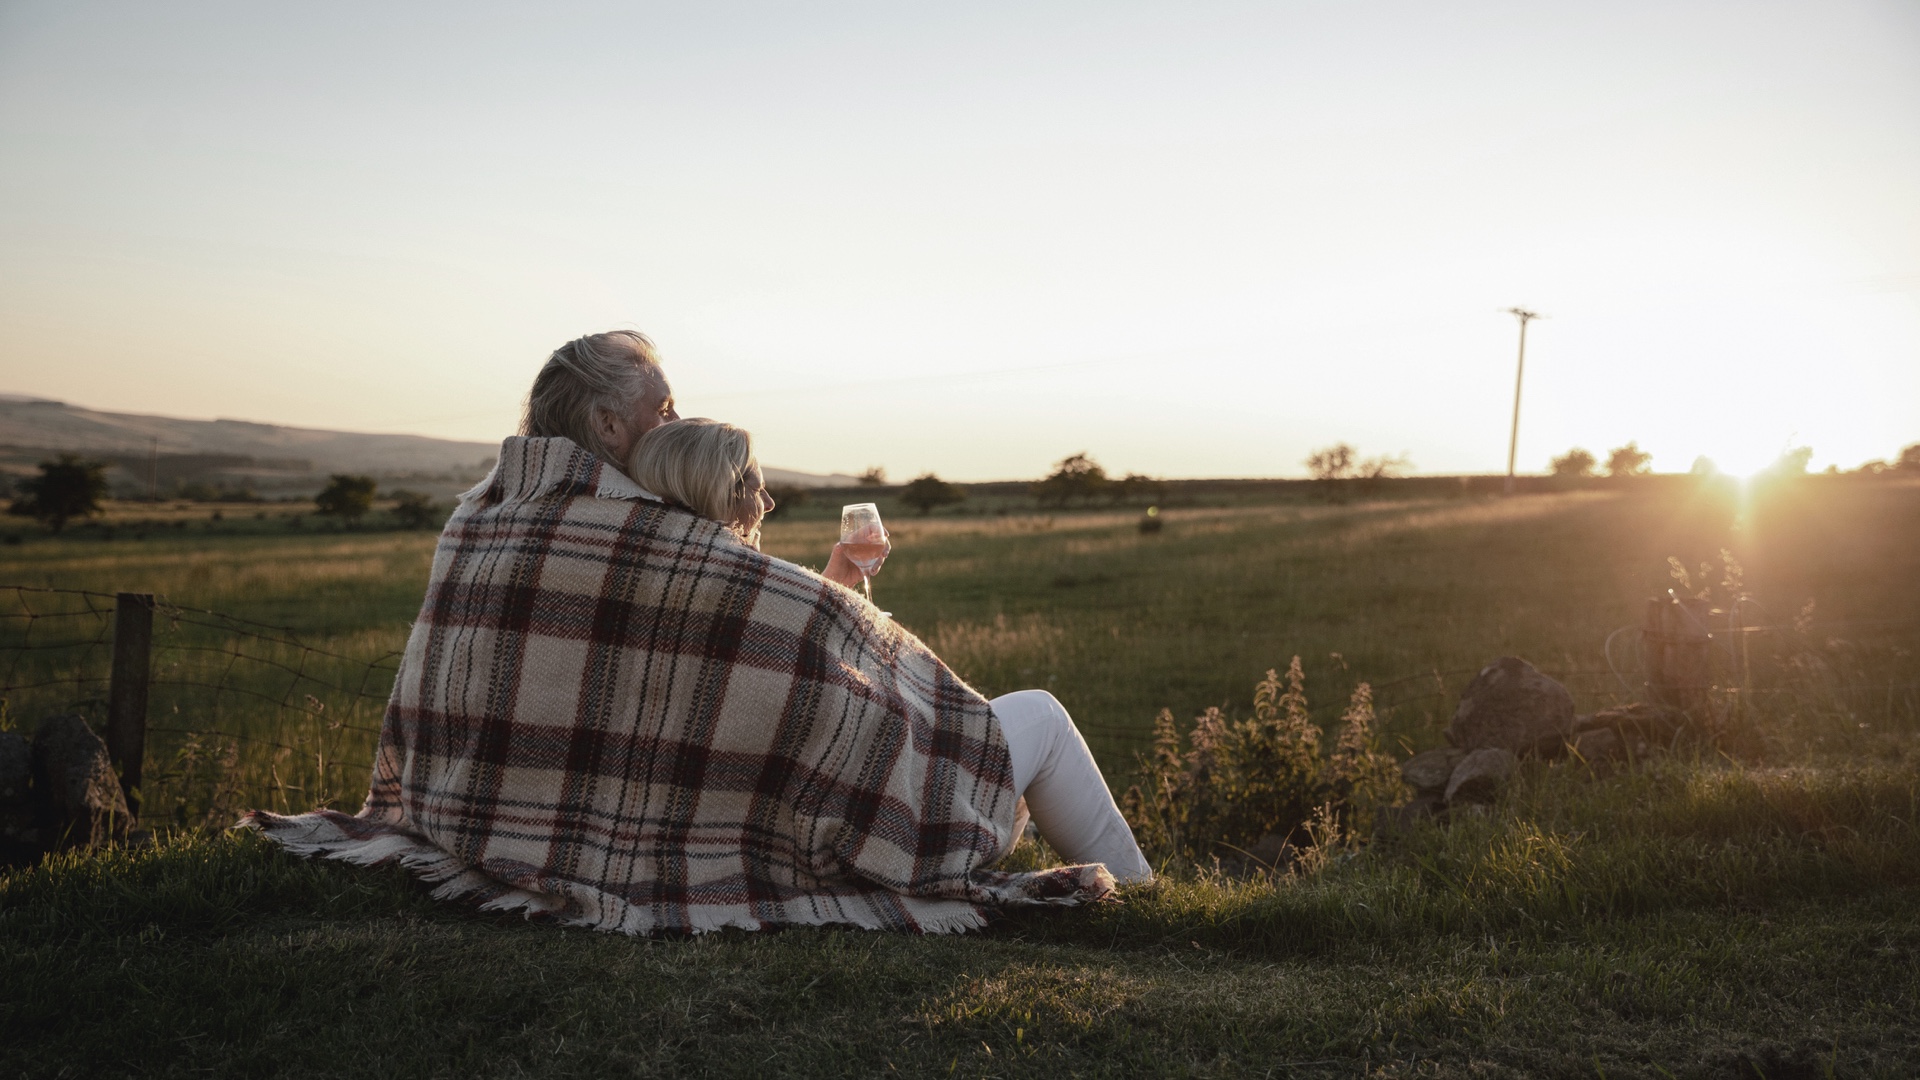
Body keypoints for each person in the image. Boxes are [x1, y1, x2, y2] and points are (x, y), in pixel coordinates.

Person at [244, 330, 1146, 935]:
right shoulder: (652, 539)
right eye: (663, 410)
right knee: (1037, 720)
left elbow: (734, 649)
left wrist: (823, 593)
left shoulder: (481, 520)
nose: (673, 422)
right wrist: (838, 606)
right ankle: (1149, 904)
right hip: (690, 834)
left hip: (469, 817)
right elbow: (774, 647)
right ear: (607, 425)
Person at [629, 416, 1154, 884]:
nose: (768, 504)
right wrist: (842, 613)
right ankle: (1139, 889)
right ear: (723, 491)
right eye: (757, 491)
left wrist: (832, 587)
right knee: (1041, 714)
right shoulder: (759, 588)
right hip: (841, 834)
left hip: (741, 818)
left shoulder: (648, 579)